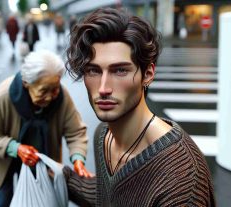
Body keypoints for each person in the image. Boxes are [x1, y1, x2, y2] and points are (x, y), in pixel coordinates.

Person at [63, 8, 216, 206]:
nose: (103, 88)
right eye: (93, 70)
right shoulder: (104, 135)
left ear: (148, 73)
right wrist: (62, 176)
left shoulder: (182, 180)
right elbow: (108, 197)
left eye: (120, 70)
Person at [0, 50, 92, 207]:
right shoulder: (4, 95)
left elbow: (75, 131)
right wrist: (15, 148)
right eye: (43, 91)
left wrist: (78, 158)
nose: (50, 97)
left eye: (55, 89)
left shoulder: (62, 98)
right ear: (26, 83)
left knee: (43, 201)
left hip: (39, 159)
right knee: (0, 202)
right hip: (1, 161)